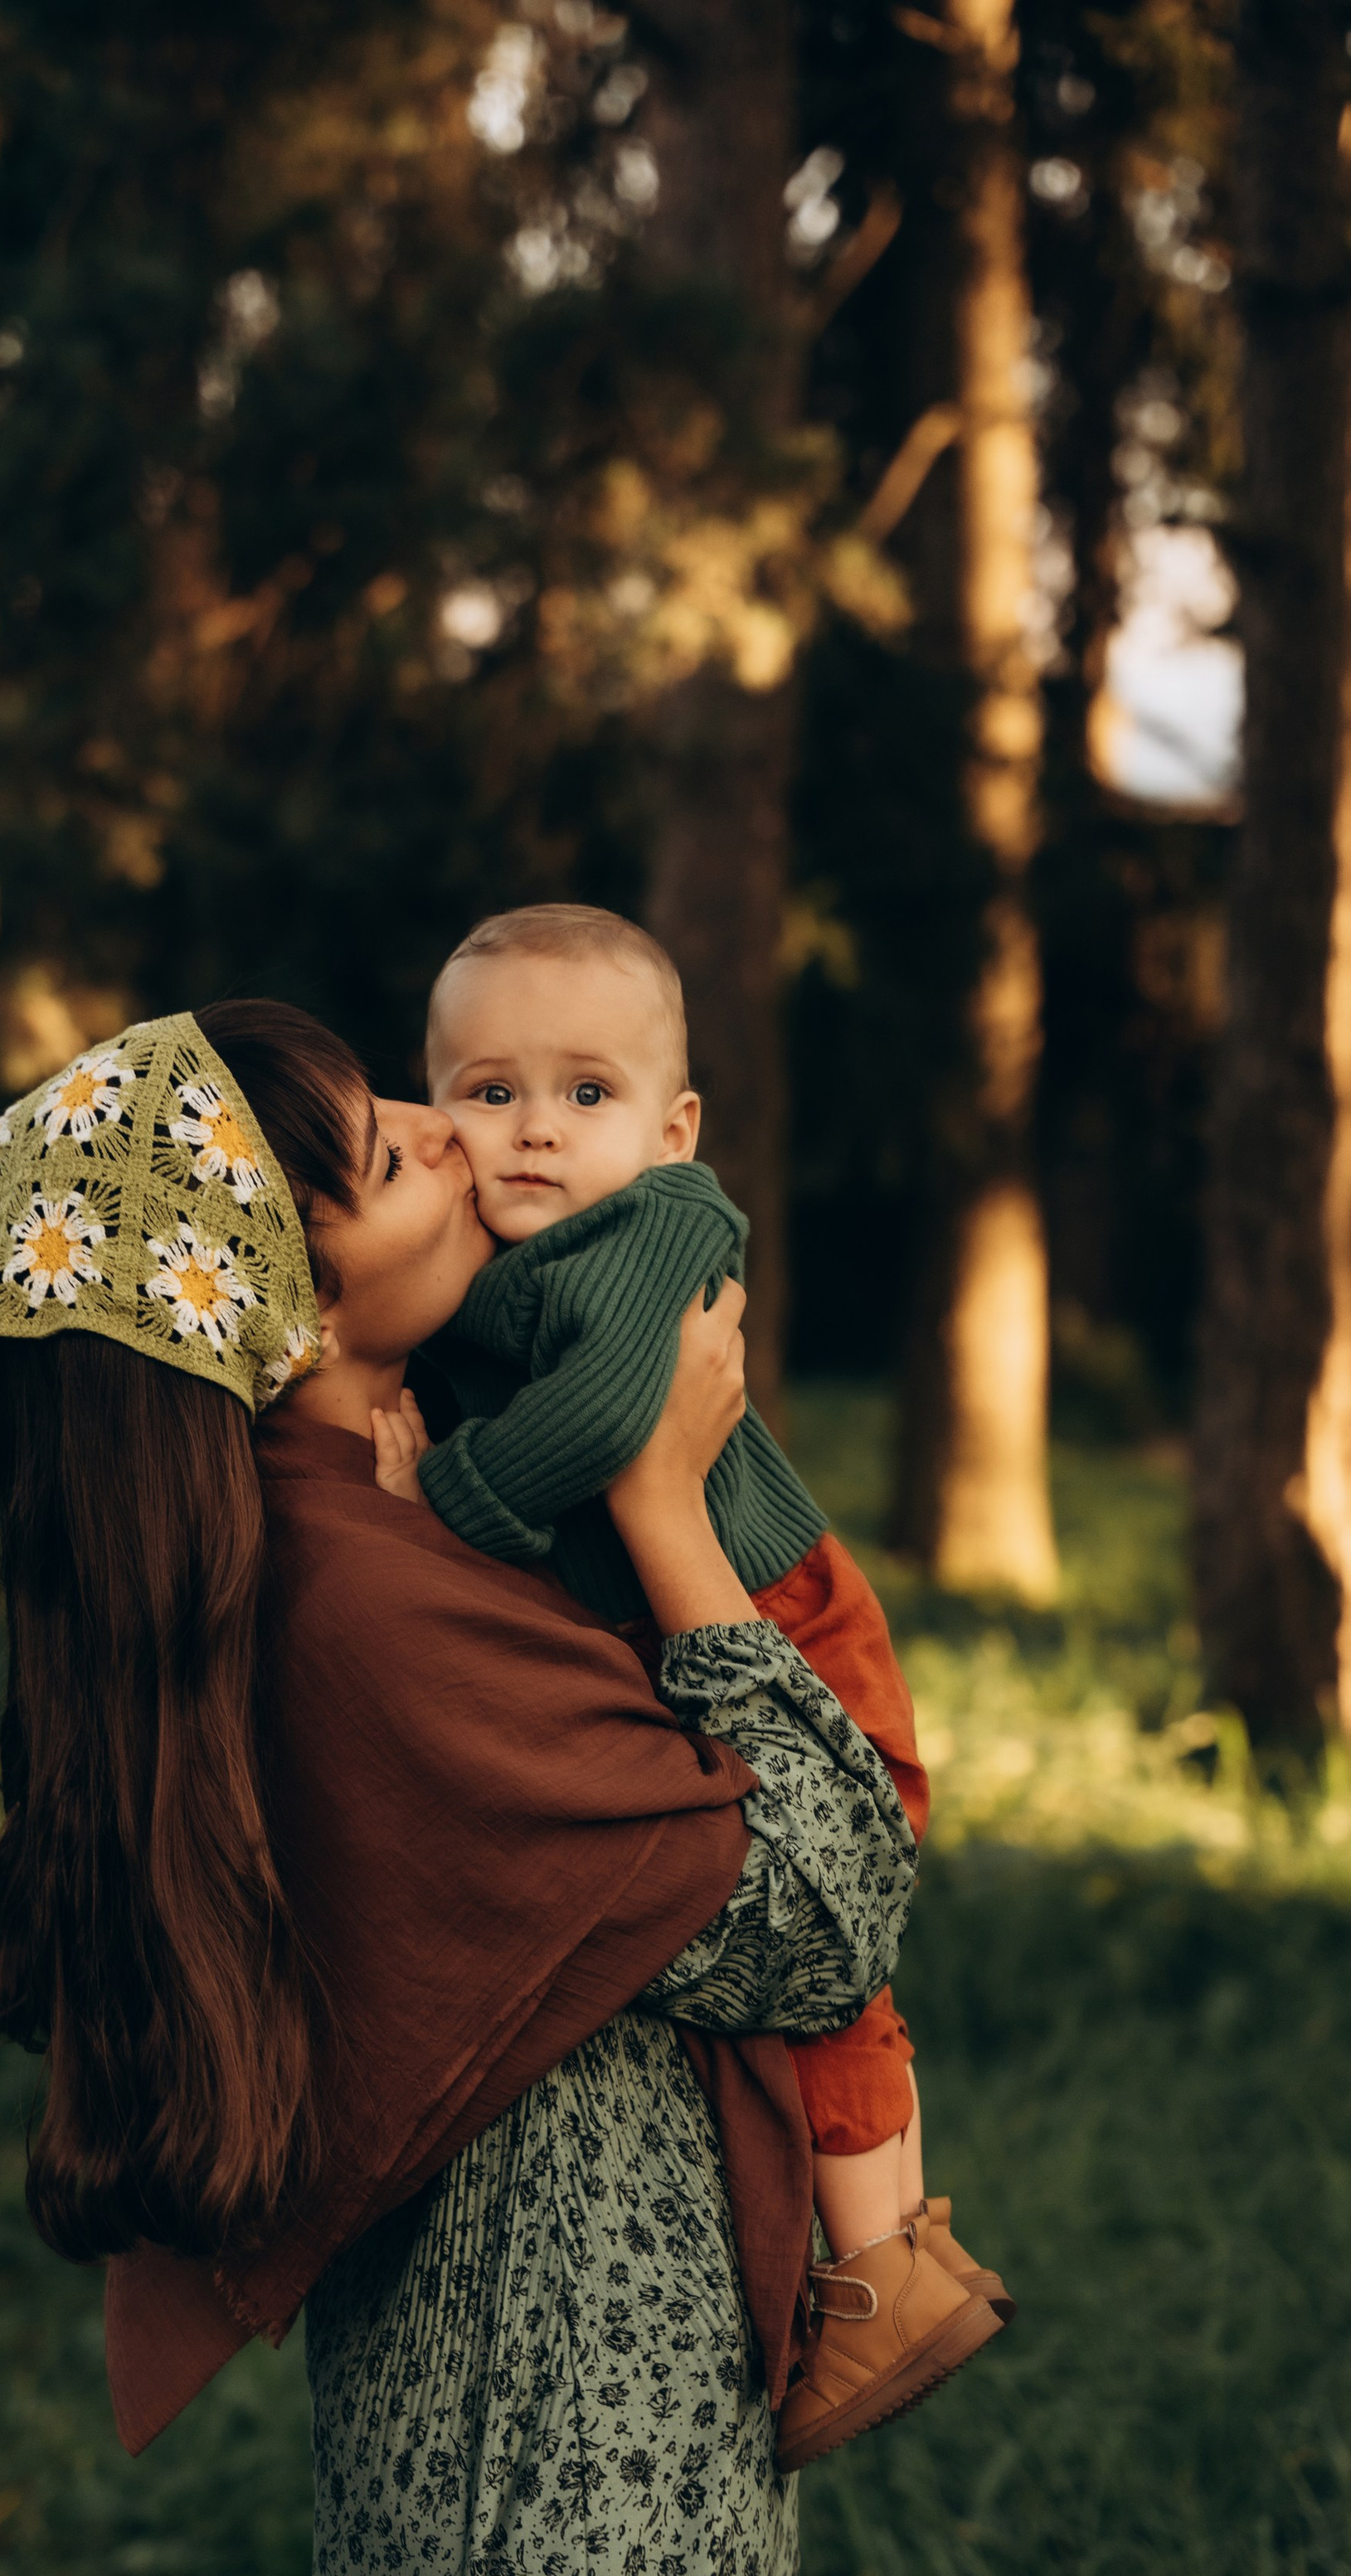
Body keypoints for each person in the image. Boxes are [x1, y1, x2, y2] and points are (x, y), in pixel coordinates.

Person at [0, 999, 921, 2576]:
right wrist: (668, 1505)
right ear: (277, 1306)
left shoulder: (337, 1534)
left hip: (517, 2409)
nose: (472, 1154)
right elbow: (822, 1898)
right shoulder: (360, 1596)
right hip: (553, 2436)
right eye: (393, 1151)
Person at [403, 904, 1011, 2462]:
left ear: (672, 1127)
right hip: (681, 1632)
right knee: (759, 1912)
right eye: (489, 1091)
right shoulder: (478, 1261)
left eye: (586, 1093)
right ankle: (869, 2257)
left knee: (829, 1915)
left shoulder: (663, 1225)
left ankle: (883, 2268)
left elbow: (613, 1418)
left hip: (787, 1619)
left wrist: (446, 1506)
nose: (536, 1127)